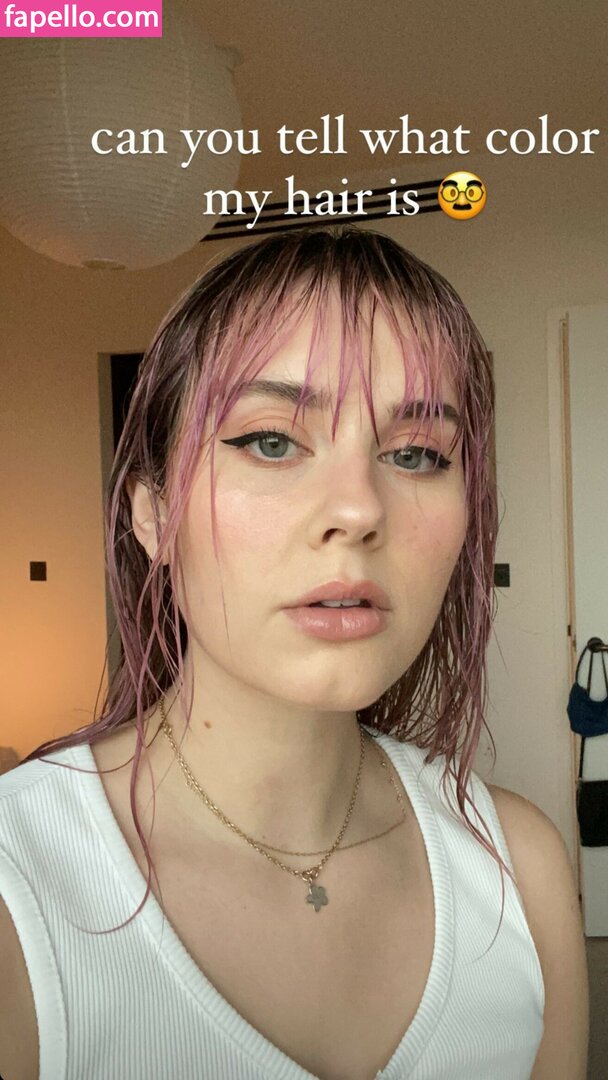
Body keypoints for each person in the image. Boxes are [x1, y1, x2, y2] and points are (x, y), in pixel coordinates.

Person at [0, 226, 588, 1080]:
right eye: (271, 440)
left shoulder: (521, 871)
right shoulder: (19, 884)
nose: (359, 510)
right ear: (152, 513)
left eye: (417, 453)